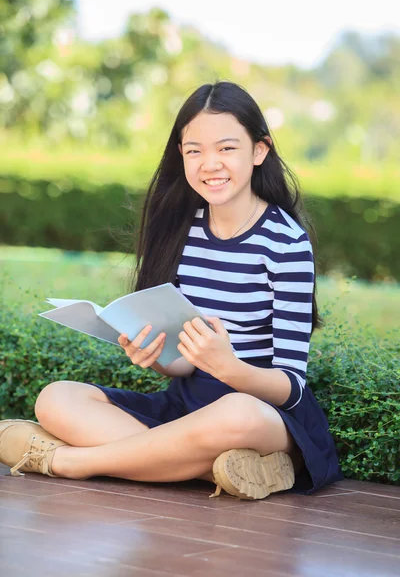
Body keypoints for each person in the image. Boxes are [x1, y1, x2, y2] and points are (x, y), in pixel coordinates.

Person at [0, 80, 343, 500]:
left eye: (226, 148)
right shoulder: (182, 230)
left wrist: (228, 368)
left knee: (235, 413)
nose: (209, 163)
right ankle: (222, 470)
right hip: (187, 409)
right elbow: (183, 363)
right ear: (181, 155)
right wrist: (157, 358)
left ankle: (70, 461)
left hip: (262, 414)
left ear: (259, 151)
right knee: (56, 399)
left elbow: (292, 384)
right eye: (194, 150)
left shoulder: (286, 243)